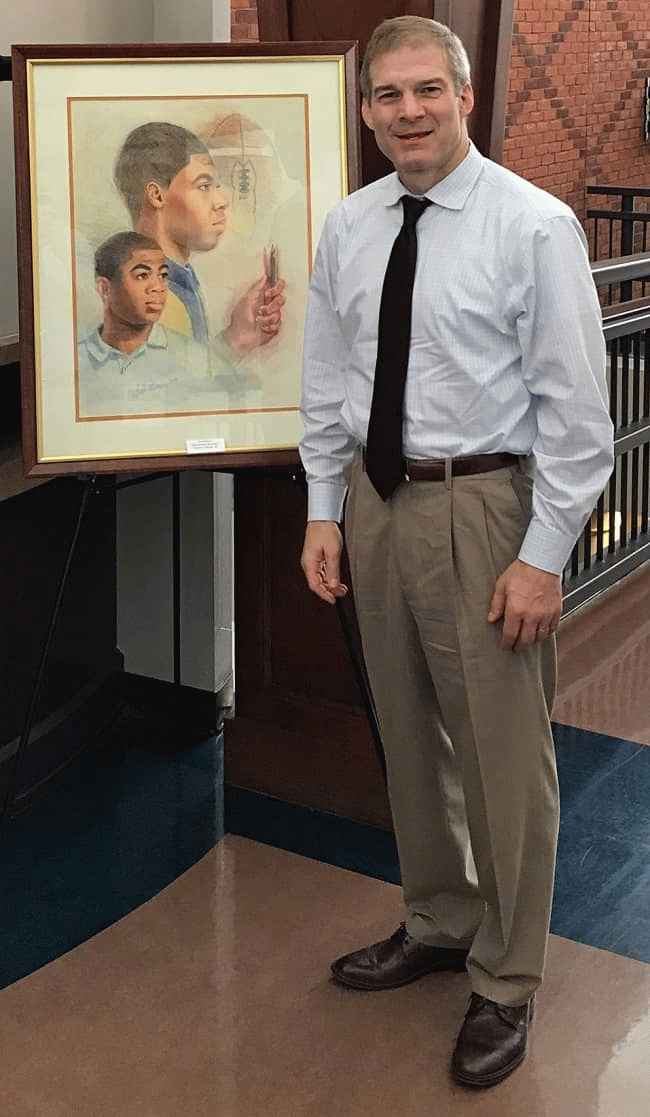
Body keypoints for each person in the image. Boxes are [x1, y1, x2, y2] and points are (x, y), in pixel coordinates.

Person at [299, 16, 614, 1089]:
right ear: (365, 111)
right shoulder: (350, 226)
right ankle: (437, 918)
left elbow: (578, 420)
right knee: (408, 729)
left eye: (427, 89)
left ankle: (507, 975)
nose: (408, 112)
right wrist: (323, 508)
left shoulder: (532, 227)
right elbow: (329, 375)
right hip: (377, 503)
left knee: (502, 755)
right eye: (387, 95)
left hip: (483, 508)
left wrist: (542, 555)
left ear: (465, 96)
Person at [113, 121, 285, 374]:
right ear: (157, 195)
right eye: (204, 186)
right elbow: (176, 394)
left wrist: (235, 339)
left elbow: (185, 379)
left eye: (217, 186)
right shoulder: (151, 297)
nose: (222, 201)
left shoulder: (177, 282)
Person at [78, 230, 209, 416]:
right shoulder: (75, 361)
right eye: (142, 275)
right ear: (104, 288)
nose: (158, 287)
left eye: (163, 275)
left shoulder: (193, 358)